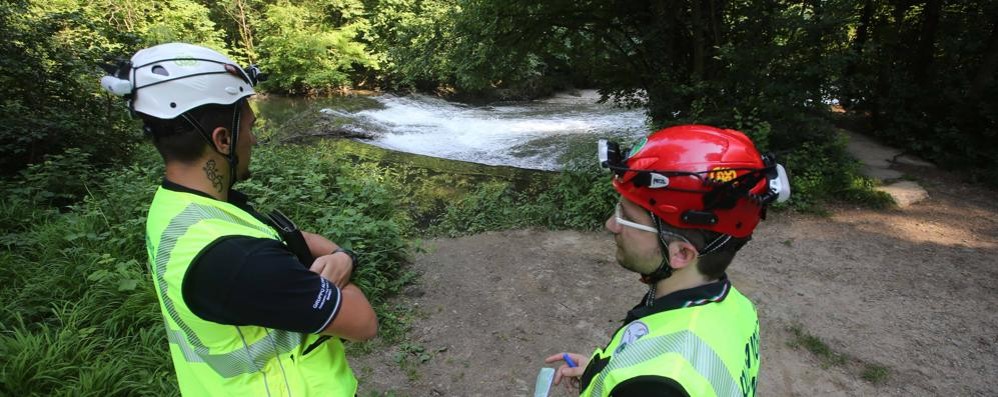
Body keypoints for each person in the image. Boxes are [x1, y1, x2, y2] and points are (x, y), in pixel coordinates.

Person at [101, 42, 377, 396]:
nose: (255, 139)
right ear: (222, 138)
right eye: (250, 127)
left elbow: (292, 237)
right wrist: (343, 266)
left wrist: (340, 258)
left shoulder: (179, 207)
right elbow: (363, 321)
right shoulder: (235, 259)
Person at [545, 125, 790, 397]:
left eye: (625, 217)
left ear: (681, 254)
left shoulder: (655, 386)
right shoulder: (735, 306)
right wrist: (599, 373)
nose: (610, 225)